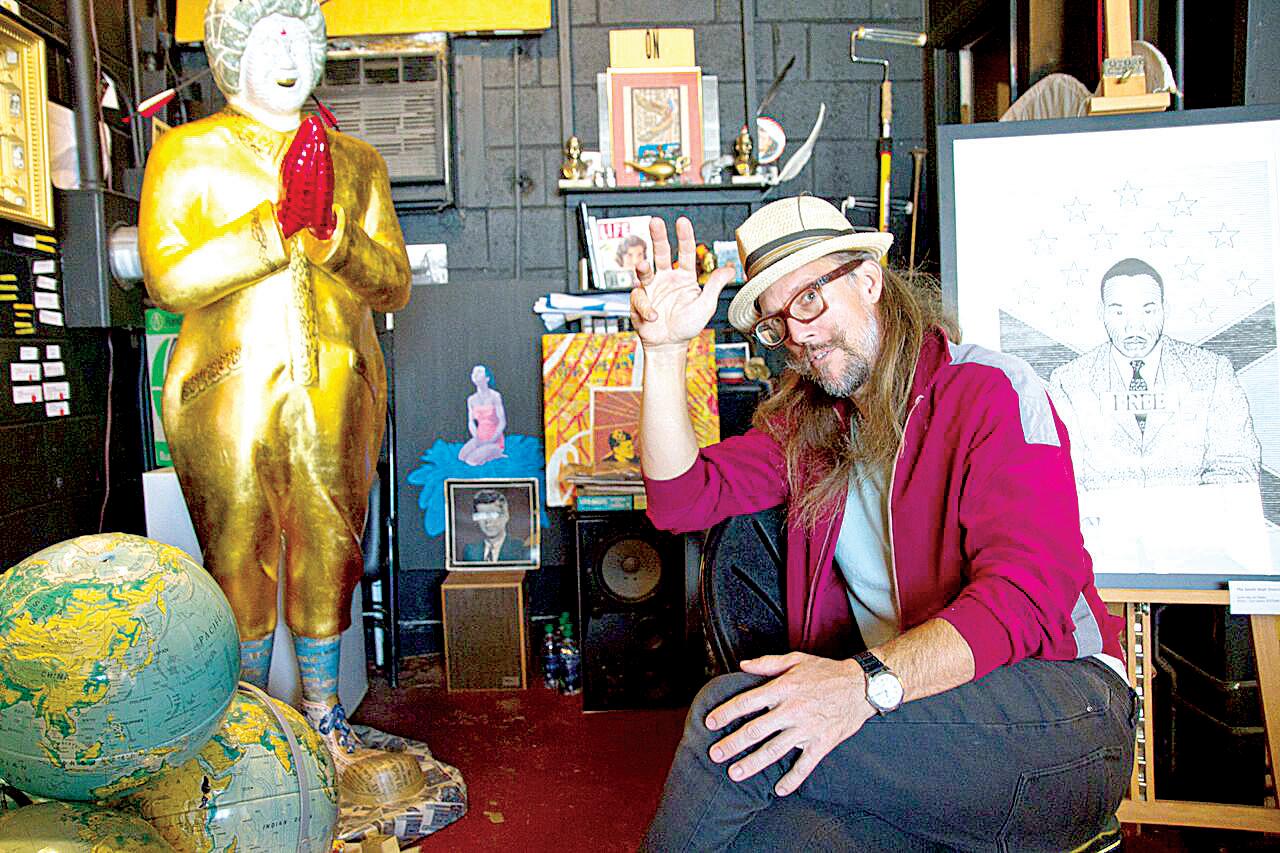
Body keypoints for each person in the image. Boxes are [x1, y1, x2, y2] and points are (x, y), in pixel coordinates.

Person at [631, 196, 1135, 851]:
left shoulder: (990, 390)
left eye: (809, 299)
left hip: (1064, 713)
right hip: (914, 719)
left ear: (869, 280)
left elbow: (1025, 598)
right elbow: (679, 499)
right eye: (778, 322)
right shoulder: (812, 427)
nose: (799, 335)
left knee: (731, 722)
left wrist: (861, 682)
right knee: (777, 834)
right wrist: (663, 351)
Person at [138, 0, 419, 788]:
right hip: (222, 393)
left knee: (332, 547)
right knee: (236, 550)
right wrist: (271, 229)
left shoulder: (357, 162)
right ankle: (245, 722)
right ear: (231, 55)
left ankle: (325, 718)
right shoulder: (188, 154)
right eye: (269, 41)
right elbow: (168, 277)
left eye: (300, 39)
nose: (289, 57)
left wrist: (332, 238)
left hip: (338, 388)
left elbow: (393, 283)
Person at [1049, 257, 1260, 492]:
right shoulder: (1068, 381)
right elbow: (1061, 475)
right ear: (1101, 312)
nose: (1133, 326)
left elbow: (1237, 464)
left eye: (1147, 311)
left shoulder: (1212, 371)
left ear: (1164, 309)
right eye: (1118, 312)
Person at [458, 364, 508, 466]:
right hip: (479, 437)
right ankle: (487, 453)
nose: (475, 374)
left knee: (471, 460)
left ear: (487, 378)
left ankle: (496, 452)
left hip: (494, 438)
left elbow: (502, 422)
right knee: (461, 457)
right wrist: (476, 437)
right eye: (474, 373)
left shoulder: (495, 396)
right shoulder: (471, 399)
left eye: (479, 372)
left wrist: (492, 439)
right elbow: (471, 422)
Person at [461, 490, 524, 563]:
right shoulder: (470, 551)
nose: (488, 521)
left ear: (506, 516)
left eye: (493, 514)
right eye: (481, 515)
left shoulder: (521, 548)